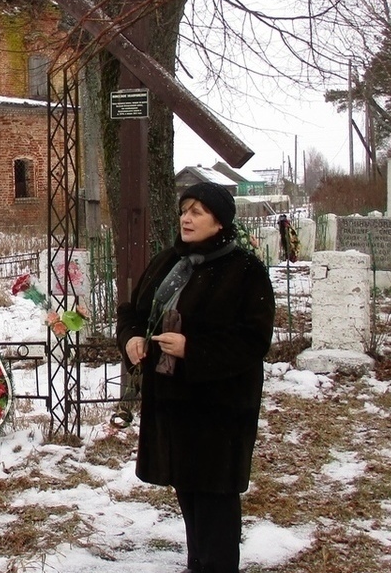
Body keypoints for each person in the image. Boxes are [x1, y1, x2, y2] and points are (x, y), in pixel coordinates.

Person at [115, 182, 275, 573]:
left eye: (197, 212)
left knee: (215, 497)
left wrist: (193, 349)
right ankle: (198, 563)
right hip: (172, 401)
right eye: (184, 210)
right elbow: (132, 311)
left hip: (220, 408)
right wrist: (132, 339)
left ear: (219, 222)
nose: (186, 218)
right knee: (187, 490)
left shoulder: (246, 271)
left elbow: (253, 340)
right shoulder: (169, 261)